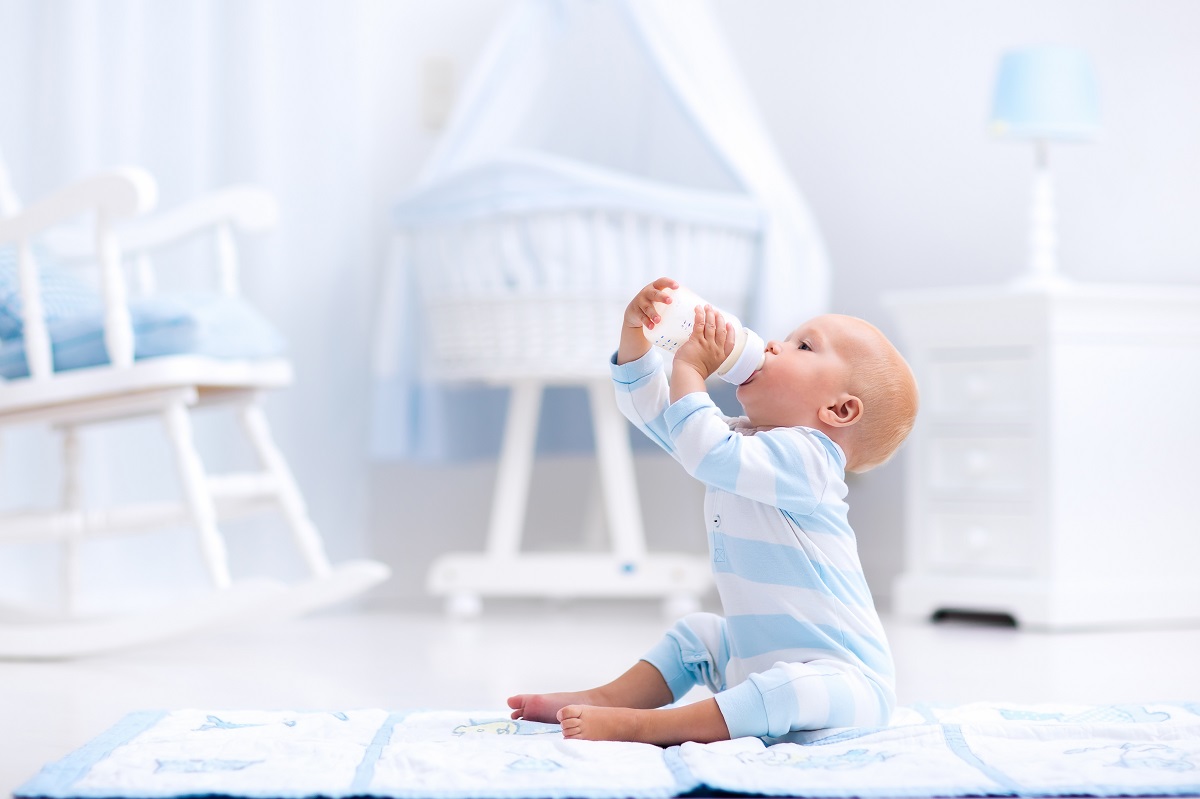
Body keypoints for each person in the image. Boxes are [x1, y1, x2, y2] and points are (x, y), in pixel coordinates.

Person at [507, 276, 919, 747]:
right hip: (755, 662)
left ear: (839, 410)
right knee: (699, 634)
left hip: (845, 686)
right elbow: (663, 419)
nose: (773, 347)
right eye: (784, 338)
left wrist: (691, 368)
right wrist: (638, 338)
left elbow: (703, 448)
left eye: (803, 346)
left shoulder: (813, 461)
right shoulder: (745, 441)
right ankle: (606, 697)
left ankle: (646, 728)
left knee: (789, 689)